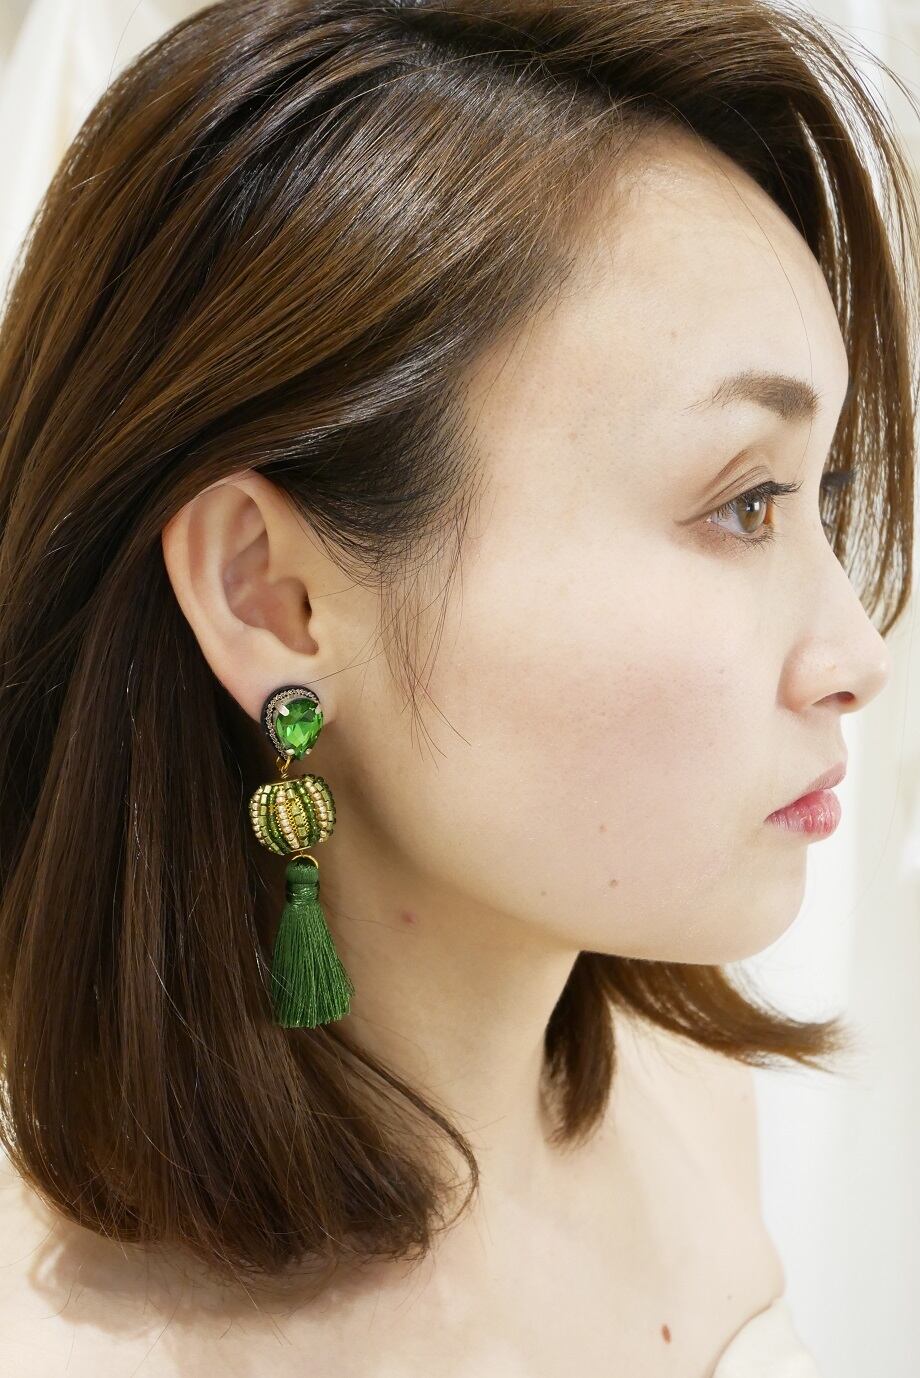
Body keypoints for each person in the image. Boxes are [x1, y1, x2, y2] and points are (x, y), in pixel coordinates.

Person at [0, 1, 917, 1373]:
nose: (856, 656)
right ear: (272, 595)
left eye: (818, 495)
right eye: (745, 502)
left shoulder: (687, 1103)